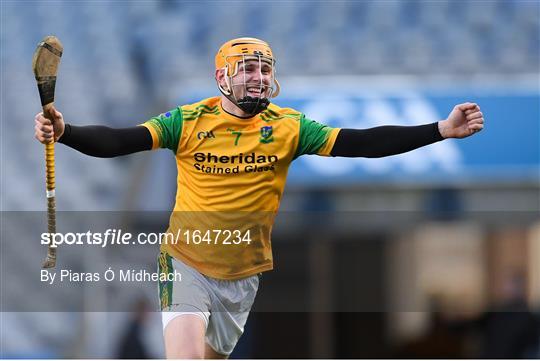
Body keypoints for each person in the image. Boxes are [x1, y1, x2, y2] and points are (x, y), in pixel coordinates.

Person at [34, 37, 484, 359]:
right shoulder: (189, 121)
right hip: (185, 261)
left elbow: (360, 142)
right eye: (248, 68)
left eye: (265, 69)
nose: (258, 76)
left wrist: (439, 130)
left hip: (242, 275)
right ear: (222, 77)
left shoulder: (290, 127)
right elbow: (120, 140)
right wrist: (66, 132)